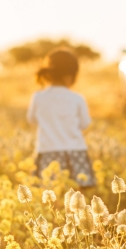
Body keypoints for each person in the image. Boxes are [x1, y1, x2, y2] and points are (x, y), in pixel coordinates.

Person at [27, 48, 96, 189]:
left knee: (51, 196)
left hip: (47, 151)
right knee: (77, 195)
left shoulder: (38, 97)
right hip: (75, 151)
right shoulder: (77, 98)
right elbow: (85, 124)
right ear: (71, 75)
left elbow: (31, 120)